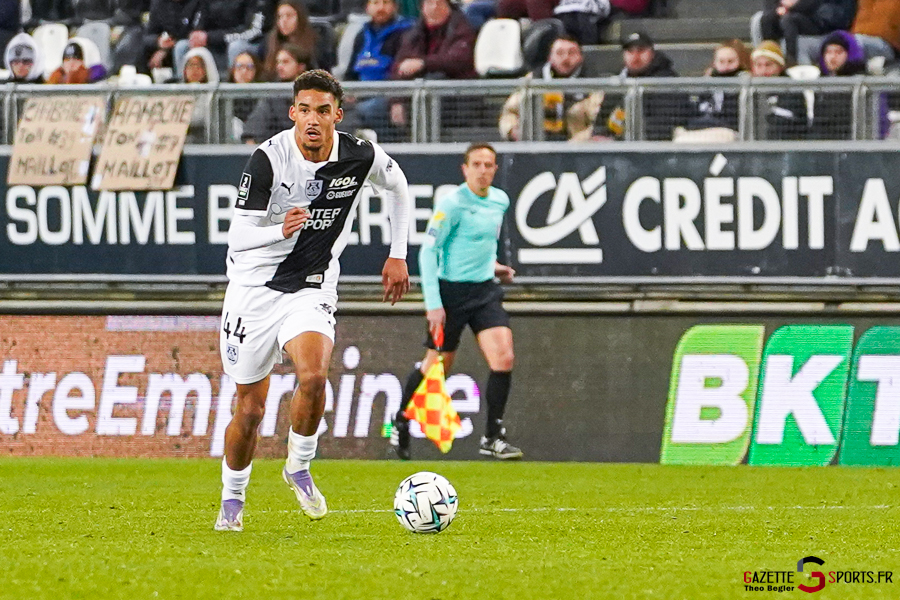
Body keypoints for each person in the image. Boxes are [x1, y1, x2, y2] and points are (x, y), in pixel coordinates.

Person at [215, 69, 411, 532]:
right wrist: (276, 229)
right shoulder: (268, 159)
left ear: (337, 116)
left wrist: (398, 254)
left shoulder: (360, 155)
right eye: (304, 110)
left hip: (311, 284)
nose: (312, 120)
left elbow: (399, 187)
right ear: (292, 113)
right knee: (250, 410)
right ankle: (232, 498)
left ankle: (298, 466)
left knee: (315, 375)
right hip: (252, 290)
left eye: (323, 111)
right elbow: (238, 234)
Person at [391, 143, 523, 462]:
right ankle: (401, 422)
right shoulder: (451, 204)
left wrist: (494, 267)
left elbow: (481, 244)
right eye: (476, 164)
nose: (482, 170)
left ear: (495, 169)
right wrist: (434, 304)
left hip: (484, 292)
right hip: (450, 294)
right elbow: (428, 251)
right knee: (436, 366)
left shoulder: (499, 201)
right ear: (465, 169)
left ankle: (493, 436)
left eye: (488, 165)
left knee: (503, 358)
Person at [499, 35, 592, 141]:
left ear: (581, 57)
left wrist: (580, 141)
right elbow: (510, 112)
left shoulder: (593, 83)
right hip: (536, 145)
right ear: (550, 57)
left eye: (571, 53)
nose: (566, 58)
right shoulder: (533, 80)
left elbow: (598, 123)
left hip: (578, 149)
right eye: (559, 53)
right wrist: (512, 130)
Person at [242, 44, 310, 144]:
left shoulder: (320, 93)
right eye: (278, 62)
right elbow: (253, 130)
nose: (279, 67)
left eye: (285, 62)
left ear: (301, 66)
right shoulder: (273, 96)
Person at [759, 0, 856, 63]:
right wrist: (778, 9)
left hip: (822, 24)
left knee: (788, 21)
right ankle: (767, 57)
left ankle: (791, 61)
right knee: (765, 19)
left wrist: (791, 7)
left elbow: (815, 5)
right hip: (797, 15)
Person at [751, 41, 808, 140]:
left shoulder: (791, 90)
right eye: (758, 65)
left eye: (768, 65)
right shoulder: (748, 90)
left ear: (779, 67)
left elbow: (791, 125)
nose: (763, 70)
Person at [262, 0, 320, 78]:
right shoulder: (270, 43)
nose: (284, 21)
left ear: (300, 17)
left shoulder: (316, 42)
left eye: (289, 15)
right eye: (280, 16)